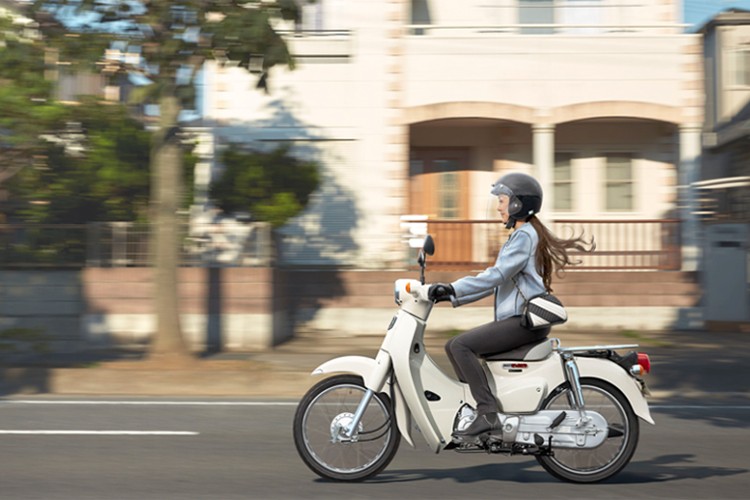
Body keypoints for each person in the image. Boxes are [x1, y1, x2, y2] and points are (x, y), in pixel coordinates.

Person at [428, 172, 594, 442]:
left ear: (518, 204)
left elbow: (496, 275)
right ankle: (481, 409)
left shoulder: (524, 236)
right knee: (453, 345)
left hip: (523, 323)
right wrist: (450, 296)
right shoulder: (524, 234)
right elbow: (496, 281)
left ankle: (487, 412)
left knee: (460, 346)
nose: (498, 206)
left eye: (503, 200)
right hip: (519, 320)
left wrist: (453, 288)